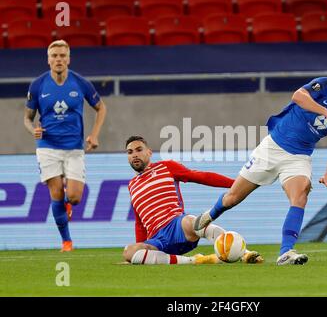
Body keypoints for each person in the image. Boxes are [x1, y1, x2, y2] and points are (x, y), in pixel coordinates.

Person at [194, 63, 327, 265]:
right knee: (232, 198)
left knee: (301, 195)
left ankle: (286, 252)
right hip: (272, 148)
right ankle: (209, 215)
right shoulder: (323, 85)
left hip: (298, 157)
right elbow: (297, 96)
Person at [122, 136, 264, 265]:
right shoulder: (132, 185)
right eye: (130, 152)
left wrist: (235, 184)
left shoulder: (166, 167)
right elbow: (140, 222)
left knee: (192, 221)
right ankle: (197, 260)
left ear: (149, 152)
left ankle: (245, 254)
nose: (134, 154)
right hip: (157, 240)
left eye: (139, 150)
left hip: (178, 226)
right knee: (128, 251)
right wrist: (138, 252)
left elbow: (201, 176)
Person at [24, 40, 107, 252]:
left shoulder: (80, 83)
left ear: (68, 59)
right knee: (56, 195)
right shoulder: (38, 85)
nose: (58, 59)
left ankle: (67, 204)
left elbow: (101, 107)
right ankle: (67, 242)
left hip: (74, 148)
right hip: (47, 147)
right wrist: (32, 129)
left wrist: (94, 135)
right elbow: (27, 118)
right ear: (48, 59)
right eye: (54, 56)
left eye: (62, 55)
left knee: (74, 197)